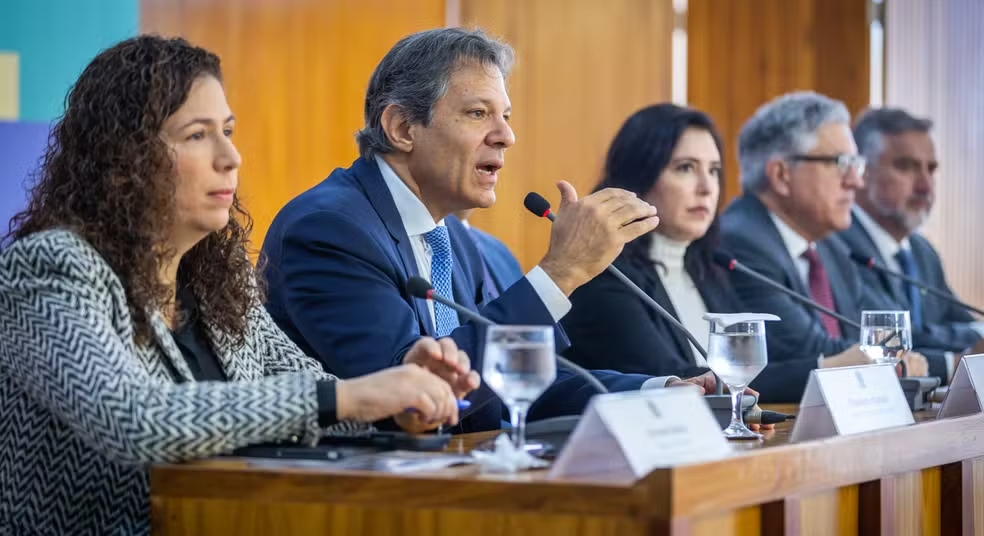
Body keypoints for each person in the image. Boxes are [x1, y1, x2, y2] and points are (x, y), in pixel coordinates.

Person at [0, 36, 479, 535]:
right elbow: (134, 418)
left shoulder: (215, 282)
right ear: (125, 158)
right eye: (196, 135)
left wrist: (402, 399)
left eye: (227, 131)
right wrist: (358, 395)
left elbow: (315, 397)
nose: (231, 156)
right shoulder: (51, 268)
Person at [261, 27, 728, 434]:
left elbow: (520, 385)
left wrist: (657, 392)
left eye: (505, 116)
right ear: (403, 127)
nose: (506, 135)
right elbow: (402, 399)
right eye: (479, 114)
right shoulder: (329, 229)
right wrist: (560, 272)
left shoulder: (457, 240)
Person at [560, 104, 838, 402]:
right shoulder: (606, 276)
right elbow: (675, 377)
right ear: (639, 177)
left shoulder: (709, 269)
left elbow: (757, 364)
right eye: (686, 168)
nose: (707, 187)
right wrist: (827, 369)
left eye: (714, 171)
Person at [718, 91, 929, 393]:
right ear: (781, 175)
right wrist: (917, 360)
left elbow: (867, 337)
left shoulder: (832, 246)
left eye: (856, 164)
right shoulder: (741, 241)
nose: (855, 182)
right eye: (841, 163)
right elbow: (811, 351)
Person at [840, 107, 984, 381]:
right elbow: (888, 340)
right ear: (862, 172)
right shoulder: (839, 245)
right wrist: (966, 342)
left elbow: (964, 321)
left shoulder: (921, 251)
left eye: (931, 169)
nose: (925, 186)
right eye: (906, 166)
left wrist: (973, 334)